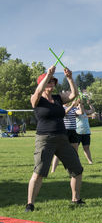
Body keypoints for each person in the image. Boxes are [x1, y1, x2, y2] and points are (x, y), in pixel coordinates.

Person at [26, 66, 84, 212]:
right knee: (38, 172)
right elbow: (38, 91)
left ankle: (76, 199)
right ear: (43, 83)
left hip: (62, 138)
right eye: (49, 82)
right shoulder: (36, 99)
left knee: (77, 170)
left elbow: (74, 95)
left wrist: (70, 78)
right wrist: (48, 75)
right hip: (45, 139)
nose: (52, 84)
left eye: (53, 82)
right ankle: (30, 204)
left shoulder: (58, 98)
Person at [51, 99, 79, 172]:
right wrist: (72, 105)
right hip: (64, 131)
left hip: (73, 130)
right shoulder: (61, 108)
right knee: (59, 151)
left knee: (75, 150)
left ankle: (74, 168)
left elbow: (81, 112)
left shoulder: (74, 108)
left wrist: (81, 104)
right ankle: (53, 170)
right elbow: (64, 113)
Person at [75, 98, 94, 165]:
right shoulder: (76, 111)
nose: (82, 105)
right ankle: (76, 161)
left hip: (86, 132)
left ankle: (90, 161)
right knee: (75, 149)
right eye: (81, 103)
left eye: (83, 104)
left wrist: (90, 104)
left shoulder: (85, 111)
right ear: (77, 104)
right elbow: (81, 112)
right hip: (77, 132)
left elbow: (92, 111)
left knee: (86, 148)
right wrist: (79, 106)